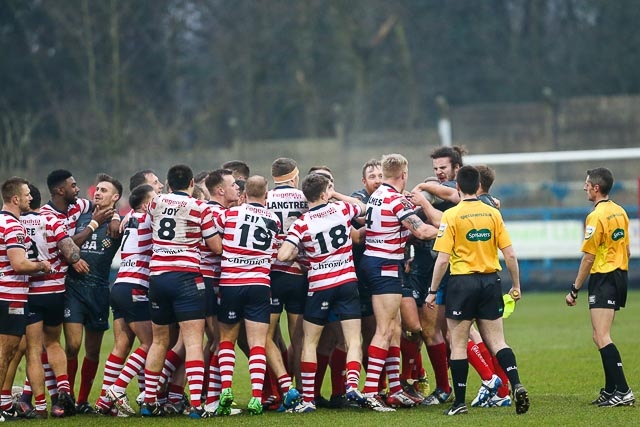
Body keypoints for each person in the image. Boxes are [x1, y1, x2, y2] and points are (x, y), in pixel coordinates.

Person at [425, 165, 530, 416]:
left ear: (458, 187)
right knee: (498, 342)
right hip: (491, 281)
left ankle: (459, 402)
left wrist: (432, 290)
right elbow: (510, 254)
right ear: (479, 186)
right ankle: (515, 384)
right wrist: (515, 285)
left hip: (462, 283)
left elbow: (442, 259)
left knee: (459, 344)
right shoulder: (492, 213)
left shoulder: (452, 215)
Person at [278, 173, 366, 413]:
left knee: (309, 342)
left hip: (319, 286)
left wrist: (305, 255)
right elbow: (362, 207)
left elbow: (283, 255)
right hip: (347, 282)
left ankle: (308, 400)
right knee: (353, 340)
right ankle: (352, 386)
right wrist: (334, 194)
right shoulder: (341, 209)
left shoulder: (302, 222)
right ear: (325, 193)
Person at [140, 164, 222, 418]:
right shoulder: (200, 207)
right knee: (193, 341)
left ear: (168, 182)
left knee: (159, 340)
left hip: (158, 277)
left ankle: (149, 401)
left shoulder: (155, 203)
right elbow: (216, 247)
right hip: (187, 277)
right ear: (191, 185)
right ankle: (197, 404)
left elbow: (146, 229)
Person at [359, 154, 439, 411]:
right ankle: (372, 391)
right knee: (384, 330)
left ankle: (394, 389)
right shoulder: (394, 199)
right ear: (403, 174)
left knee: (393, 329)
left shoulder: (377, 195)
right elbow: (422, 231)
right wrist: (455, 229)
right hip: (384, 266)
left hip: (379, 263)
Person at [11, 185, 86, 418]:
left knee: (33, 350)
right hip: (54, 292)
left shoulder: (15, 225)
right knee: (53, 343)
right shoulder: (52, 221)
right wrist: (63, 258)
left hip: (28, 293)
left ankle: (39, 405)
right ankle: (63, 392)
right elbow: (73, 254)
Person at [565, 168, 634, 407]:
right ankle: (611, 389)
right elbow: (627, 249)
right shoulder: (620, 211)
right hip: (619, 275)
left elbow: (588, 257)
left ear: (596, 188)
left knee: (602, 336)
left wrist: (574, 289)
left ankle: (623, 391)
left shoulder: (596, 216)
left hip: (604, 276)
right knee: (599, 335)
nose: (584, 187)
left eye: (586, 184)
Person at [214, 176, 281, 416]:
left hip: (231, 284)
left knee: (226, 340)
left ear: (244, 195)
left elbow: (214, 237)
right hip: (259, 285)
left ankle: (226, 391)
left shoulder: (228, 215)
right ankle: (255, 397)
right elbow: (274, 253)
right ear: (266, 195)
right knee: (257, 344)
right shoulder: (274, 220)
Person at [94, 184, 157, 416]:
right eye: (155, 198)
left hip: (119, 286)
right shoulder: (148, 219)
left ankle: (103, 401)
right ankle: (118, 388)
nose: (158, 202)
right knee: (150, 343)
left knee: (122, 345)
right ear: (145, 204)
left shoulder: (129, 216)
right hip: (135, 287)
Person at [63, 173, 123, 413]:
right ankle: (66, 398)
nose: (98, 193)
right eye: (97, 189)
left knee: (93, 350)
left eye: (104, 190)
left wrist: (117, 217)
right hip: (74, 288)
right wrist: (73, 258)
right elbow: (66, 243)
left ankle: (82, 401)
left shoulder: (121, 223)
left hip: (99, 291)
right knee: (72, 346)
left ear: (115, 197)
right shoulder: (81, 216)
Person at [0, 177, 52, 421]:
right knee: (5, 352)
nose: (31, 197)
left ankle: (4, 405)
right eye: (26, 194)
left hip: (6, 294)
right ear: (15, 199)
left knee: (8, 353)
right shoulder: (12, 226)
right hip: (10, 297)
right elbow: (19, 264)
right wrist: (42, 265)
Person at [264, 158, 308, 409]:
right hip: (297, 273)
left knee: (267, 337)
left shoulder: (265, 198)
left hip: (270, 274)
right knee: (299, 337)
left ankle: (280, 390)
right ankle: (301, 392)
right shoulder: (303, 197)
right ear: (294, 176)